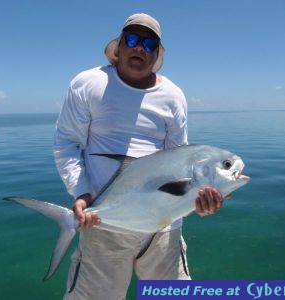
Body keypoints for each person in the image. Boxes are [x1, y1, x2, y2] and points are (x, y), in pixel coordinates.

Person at [54, 13, 225, 300]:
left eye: (148, 43)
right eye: (132, 39)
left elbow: (180, 162)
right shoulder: (88, 83)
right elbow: (67, 143)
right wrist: (81, 193)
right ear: (119, 46)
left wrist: (197, 203)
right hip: (104, 225)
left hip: (163, 229)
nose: (139, 48)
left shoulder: (173, 95)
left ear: (156, 52)